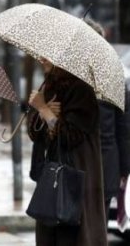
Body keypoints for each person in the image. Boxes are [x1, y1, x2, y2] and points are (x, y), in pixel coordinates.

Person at [27, 58, 107, 246]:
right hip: (54, 175)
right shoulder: (49, 86)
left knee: (72, 234)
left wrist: (44, 110)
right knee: (53, 231)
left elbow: (69, 136)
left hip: (76, 175)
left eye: (47, 55)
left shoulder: (81, 89)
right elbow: (40, 135)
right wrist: (40, 113)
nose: (41, 59)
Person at [84, 18, 130, 222]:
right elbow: (124, 129)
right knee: (95, 228)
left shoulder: (111, 78)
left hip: (94, 166)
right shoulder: (114, 77)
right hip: (102, 166)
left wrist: (125, 169)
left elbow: (124, 128)